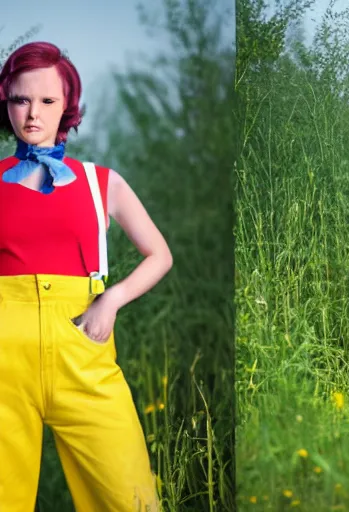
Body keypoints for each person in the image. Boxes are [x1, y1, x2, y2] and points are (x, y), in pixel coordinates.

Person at [0, 42, 172, 511]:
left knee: (131, 498)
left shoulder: (101, 181)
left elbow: (159, 254)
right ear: (7, 104)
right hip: (3, 357)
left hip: (82, 347)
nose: (32, 114)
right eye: (20, 100)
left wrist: (111, 300)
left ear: (67, 107)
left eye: (47, 101)